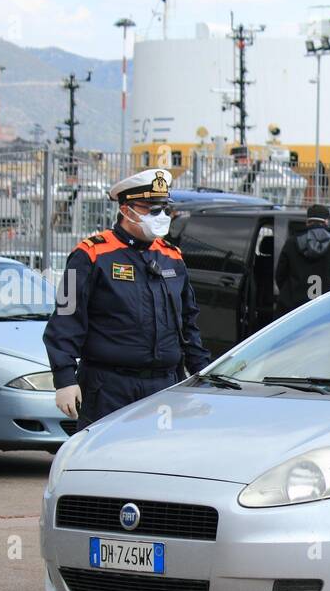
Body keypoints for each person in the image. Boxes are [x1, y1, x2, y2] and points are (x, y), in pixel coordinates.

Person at [44, 168, 211, 429]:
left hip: (164, 386)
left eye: (165, 209)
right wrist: (64, 378)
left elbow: (188, 324)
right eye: (151, 209)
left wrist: (203, 374)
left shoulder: (171, 257)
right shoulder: (92, 255)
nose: (161, 217)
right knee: (104, 462)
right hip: (109, 387)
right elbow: (66, 320)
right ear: (126, 209)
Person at [274, 204, 330, 314]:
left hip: (296, 309)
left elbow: (280, 276)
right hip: (328, 307)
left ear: (307, 222)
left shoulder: (292, 242)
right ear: (326, 222)